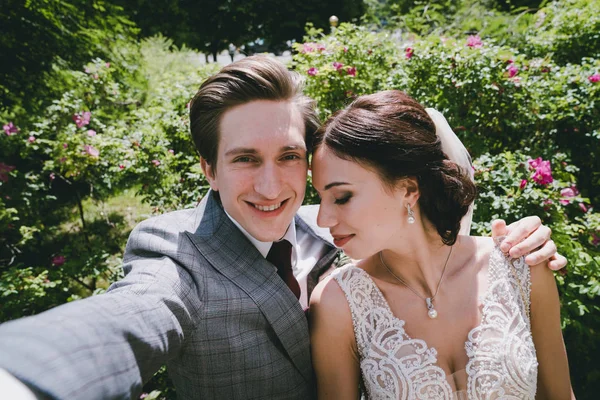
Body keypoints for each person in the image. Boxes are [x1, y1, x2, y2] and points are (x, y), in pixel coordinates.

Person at [0, 56, 564, 400]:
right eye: (245, 158)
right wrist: (25, 377)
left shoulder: (334, 230)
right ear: (208, 168)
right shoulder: (175, 252)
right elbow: (134, 315)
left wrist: (524, 248)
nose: (272, 188)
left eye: (290, 157)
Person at [309, 90, 573, 399]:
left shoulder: (521, 264)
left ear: (408, 189)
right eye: (319, 198)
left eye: (341, 197)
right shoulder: (338, 303)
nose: (323, 219)